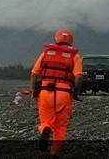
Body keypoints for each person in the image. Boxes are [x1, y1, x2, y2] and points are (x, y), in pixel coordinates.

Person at [30, 28, 83, 156]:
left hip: (45, 92)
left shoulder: (46, 53)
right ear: (70, 41)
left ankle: (46, 129)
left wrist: (34, 91)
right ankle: (55, 155)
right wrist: (76, 91)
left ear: (56, 38)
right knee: (60, 128)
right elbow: (79, 76)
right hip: (64, 94)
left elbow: (34, 74)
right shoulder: (74, 56)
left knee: (45, 121)